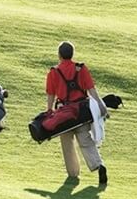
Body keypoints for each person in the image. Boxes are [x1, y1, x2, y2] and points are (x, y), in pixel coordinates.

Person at [46, 41, 108, 186]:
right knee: (86, 141)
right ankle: (99, 165)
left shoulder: (54, 72)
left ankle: (73, 174)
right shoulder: (81, 69)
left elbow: (51, 94)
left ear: (59, 55)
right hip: (81, 111)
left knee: (67, 144)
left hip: (64, 113)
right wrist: (100, 103)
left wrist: (49, 110)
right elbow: (91, 90)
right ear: (72, 54)